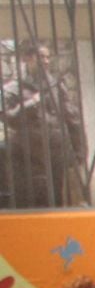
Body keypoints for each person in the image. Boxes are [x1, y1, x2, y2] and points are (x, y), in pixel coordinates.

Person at [1, 42, 85, 208]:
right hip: (27, 155)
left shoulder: (56, 86)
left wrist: (79, 150)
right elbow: (6, 115)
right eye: (41, 57)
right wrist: (31, 103)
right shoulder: (12, 88)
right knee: (29, 201)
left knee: (57, 200)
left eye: (48, 57)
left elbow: (71, 117)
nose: (46, 61)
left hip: (55, 153)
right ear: (28, 59)